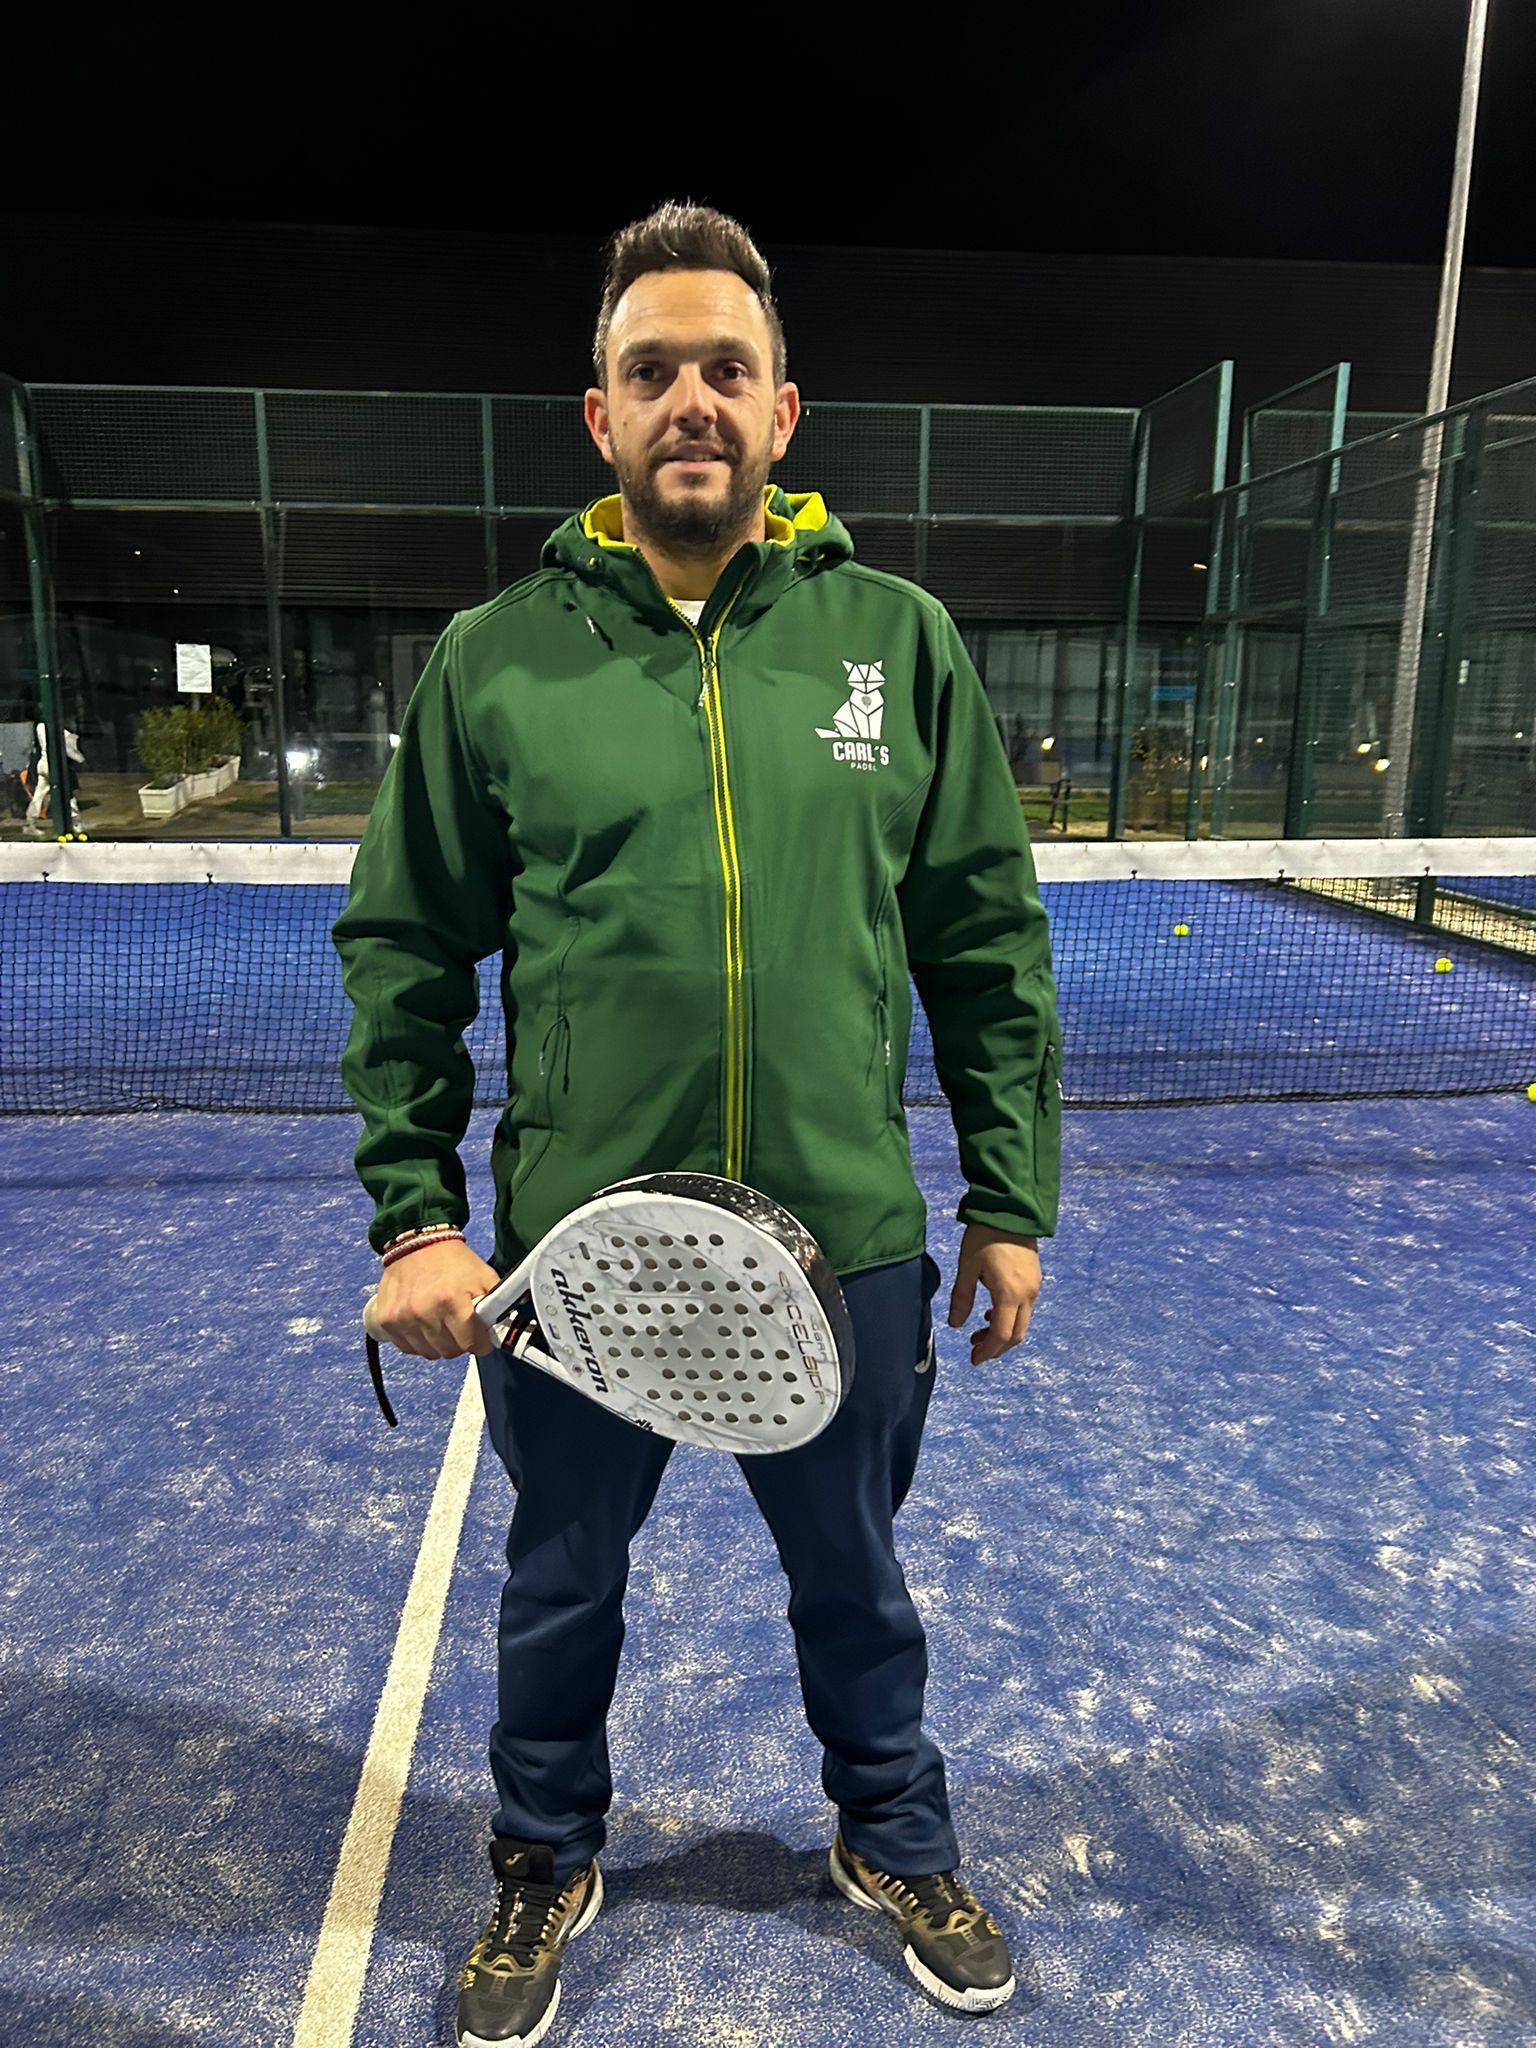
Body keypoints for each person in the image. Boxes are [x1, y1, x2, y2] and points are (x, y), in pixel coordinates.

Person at [333, 203, 1061, 2048]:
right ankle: (542, 1854)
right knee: (561, 1585)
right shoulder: (497, 659)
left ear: (781, 411)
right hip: (582, 1256)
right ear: (601, 414)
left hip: (847, 1242)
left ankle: (893, 1835)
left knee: (859, 1581)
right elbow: (403, 946)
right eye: (651, 369)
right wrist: (416, 1215)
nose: (692, 400)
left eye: (726, 368)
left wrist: (1009, 1195)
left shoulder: (895, 642)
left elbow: (983, 936)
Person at [22, 719, 84, 837]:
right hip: (54, 766)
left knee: (39, 796)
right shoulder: (60, 730)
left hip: (43, 764)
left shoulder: (40, 726)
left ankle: (30, 823)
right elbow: (70, 751)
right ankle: (76, 823)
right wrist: (81, 759)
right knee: (67, 794)